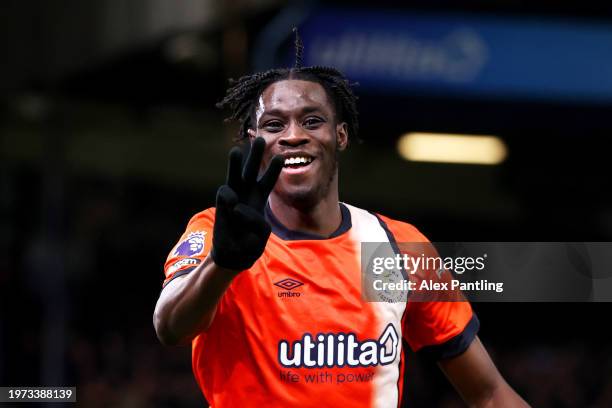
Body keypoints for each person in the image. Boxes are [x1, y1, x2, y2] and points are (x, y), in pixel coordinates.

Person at [153, 31, 528, 407]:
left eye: (312, 121)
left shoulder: (392, 247)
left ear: (340, 135)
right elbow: (170, 326)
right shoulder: (222, 232)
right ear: (254, 143)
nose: (294, 136)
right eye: (274, 125)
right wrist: (222, 264)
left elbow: (489, 393)